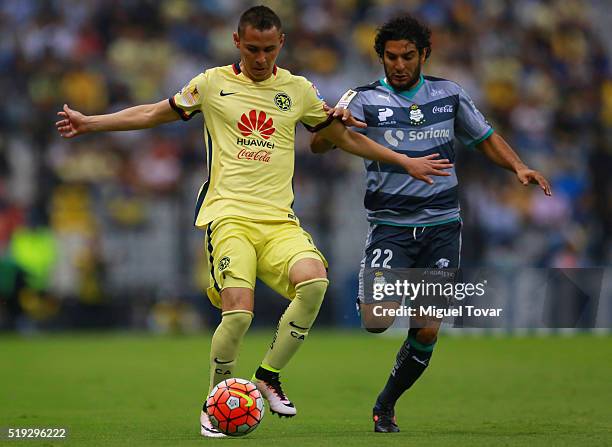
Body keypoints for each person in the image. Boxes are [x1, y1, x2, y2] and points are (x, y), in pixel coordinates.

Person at [55, 6, 453, 438]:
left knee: (315, 281)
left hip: (279, 221)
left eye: (268, 49)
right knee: (239, 315)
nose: (261, 58)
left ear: (280, 44)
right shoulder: (211, 84)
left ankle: (268, 375)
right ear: (236, 42)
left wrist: (401, 160)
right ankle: (214, 403)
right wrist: (90, 123)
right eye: (252, 49)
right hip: (229, 218)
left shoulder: (298, 90)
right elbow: (154, 113)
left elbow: (339, 137)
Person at [311, 15, 552, 433]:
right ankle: (383, 288)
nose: (399, 65)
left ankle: (385, 405)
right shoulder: (362, 98)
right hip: (390, 224)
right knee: (376, 320)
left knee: (425, 329)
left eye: (407, 56)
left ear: (424, 54)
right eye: (390, 57)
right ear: (380, 57)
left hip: (442, 225)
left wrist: (518, 166)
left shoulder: (449, 94)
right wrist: (335, 126)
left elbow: (485, 137)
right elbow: (317, 144)